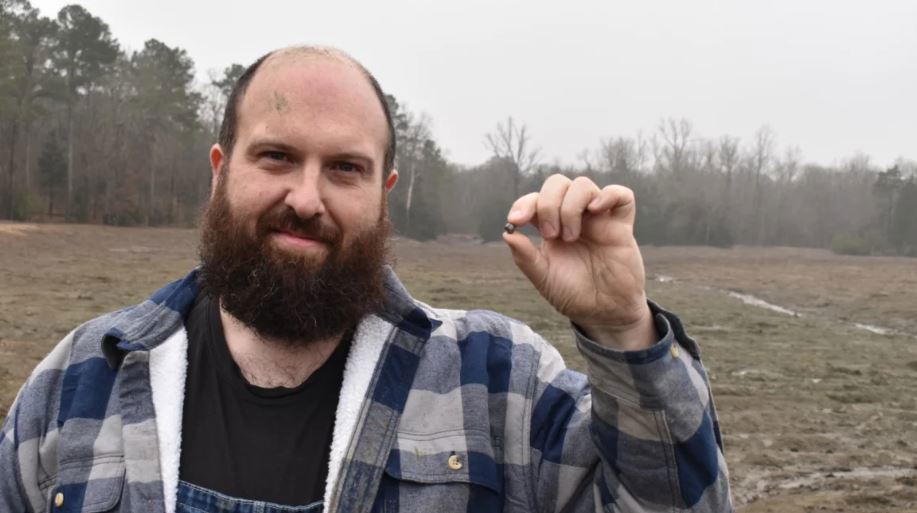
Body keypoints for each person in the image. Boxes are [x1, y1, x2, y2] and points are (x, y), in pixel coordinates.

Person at [0, 46, 732, 513]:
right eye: (277, 156)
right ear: (221, 172)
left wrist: (620, 330)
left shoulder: (498, 383)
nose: (307, 198)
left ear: (383, 190)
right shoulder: (80, 381)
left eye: (344, 168)